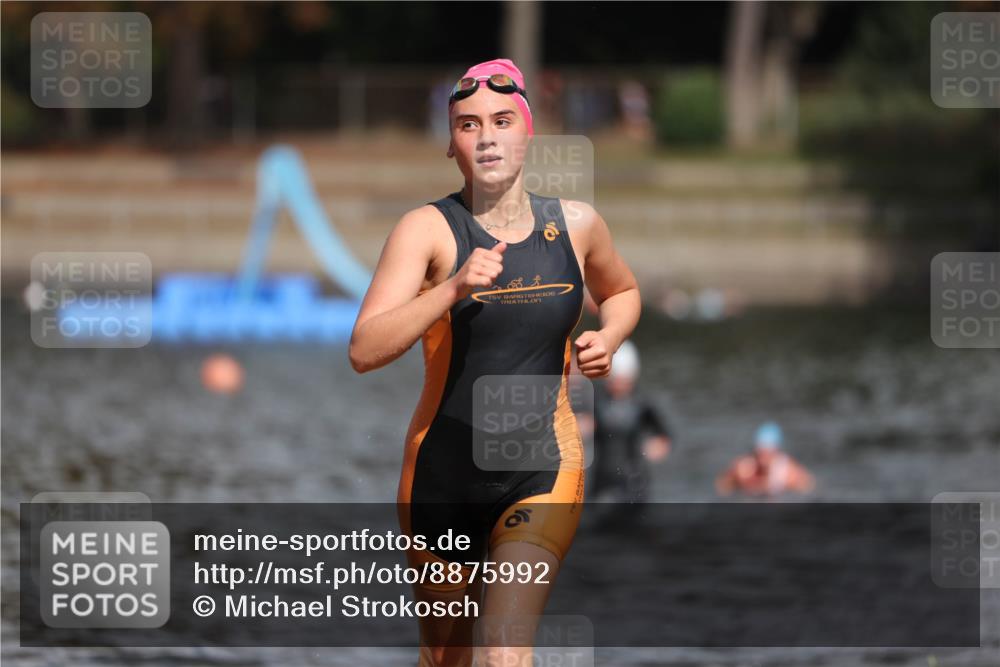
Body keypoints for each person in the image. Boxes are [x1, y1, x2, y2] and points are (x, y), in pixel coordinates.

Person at [349, 58, 641, 667]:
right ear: (450, 144)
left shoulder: (578, 224)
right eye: (468, 124)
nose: (486, 136)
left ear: (527, 133)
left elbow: (622, 291)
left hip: (542, 468)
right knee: (446, 657)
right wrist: (450, 290)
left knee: (504, 650)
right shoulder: (425, 230)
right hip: (440, 477)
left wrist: (609, 336)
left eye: (502, 120)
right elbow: (364, 349)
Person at [576, 339, 674, 504]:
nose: (619, 385)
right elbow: (575, 422)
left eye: (624, 381)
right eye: (616, 380)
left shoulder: (643, 403)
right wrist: (579, 427)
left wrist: (659, 446)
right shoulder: (597, 400)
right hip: (602, 479)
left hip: (634, 481)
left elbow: (665, 436)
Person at [715, 422, 815, 497]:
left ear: (776, 451)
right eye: (761, 452)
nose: (764, 457)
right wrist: (737, 483)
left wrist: (788, 485)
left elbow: (808, 487)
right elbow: (721, 486)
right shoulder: (744, 467)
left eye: (768, 452)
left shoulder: (787, 471)